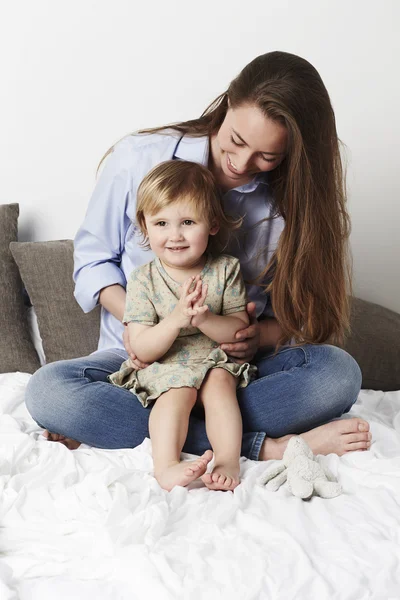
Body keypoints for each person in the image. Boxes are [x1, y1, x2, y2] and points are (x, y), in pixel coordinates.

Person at [25, 50, 371, 472]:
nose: (242, 164)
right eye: (238, 141)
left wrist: (255, 338)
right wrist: (143, 324)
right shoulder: (138, 158)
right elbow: (93, 263)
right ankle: (260, 446)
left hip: (229, 371)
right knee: (48, 392)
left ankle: (150, 430)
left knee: (338, 373)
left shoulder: (289, 202)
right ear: (227, 104)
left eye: (268, 157)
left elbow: (298, 316)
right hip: (140, 367)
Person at [108, 160, 256, 491]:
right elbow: (143, 348)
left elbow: (237, 330)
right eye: (161, 223)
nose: (175, 235)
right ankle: (167, 466)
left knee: (220, 386)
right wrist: (177, 319)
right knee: (177, 393)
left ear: (213, 224)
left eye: (188, 222)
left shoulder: (225, 270)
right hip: (168, 362)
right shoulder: (143, 279)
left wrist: (204, 318)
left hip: (215, 357)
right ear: (145, 227)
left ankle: (228, 459)